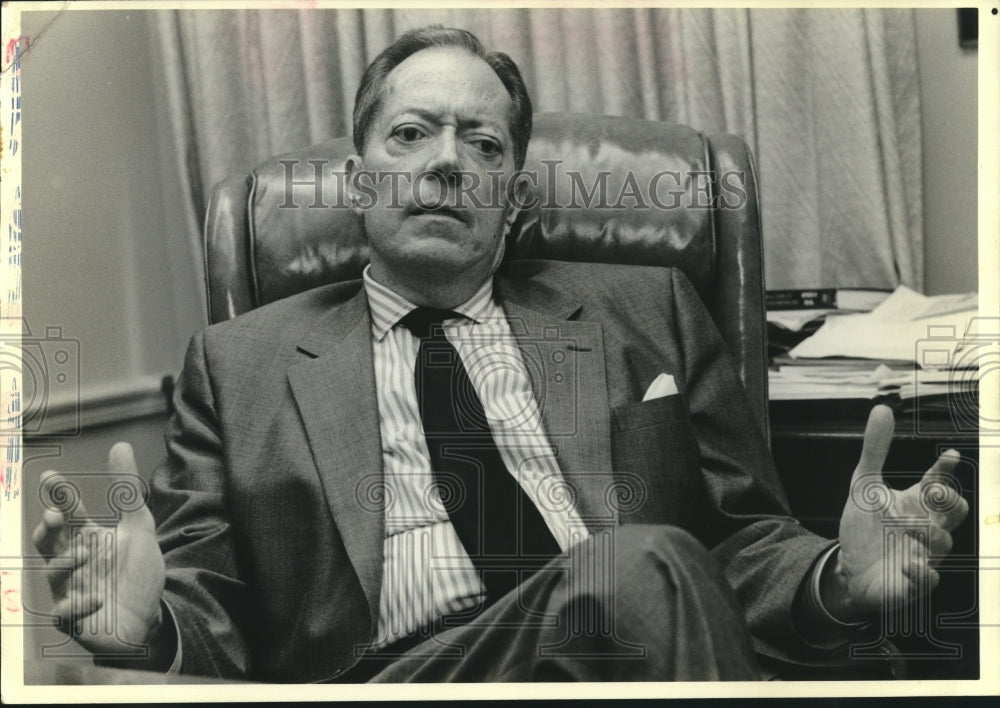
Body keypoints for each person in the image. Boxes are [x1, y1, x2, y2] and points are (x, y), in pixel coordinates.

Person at [32, 26, 968, 683]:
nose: (445, 161)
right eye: (411, 135)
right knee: (634, 571)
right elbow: (207, 601)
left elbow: (741, 543)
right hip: (395, 672)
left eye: (481, 143)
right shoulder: (237, 367)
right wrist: (147, 629)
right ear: (360, 184)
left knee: (638, 576)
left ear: (513, 200)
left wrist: (836, 579)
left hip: (629, 644)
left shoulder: (648, 311)